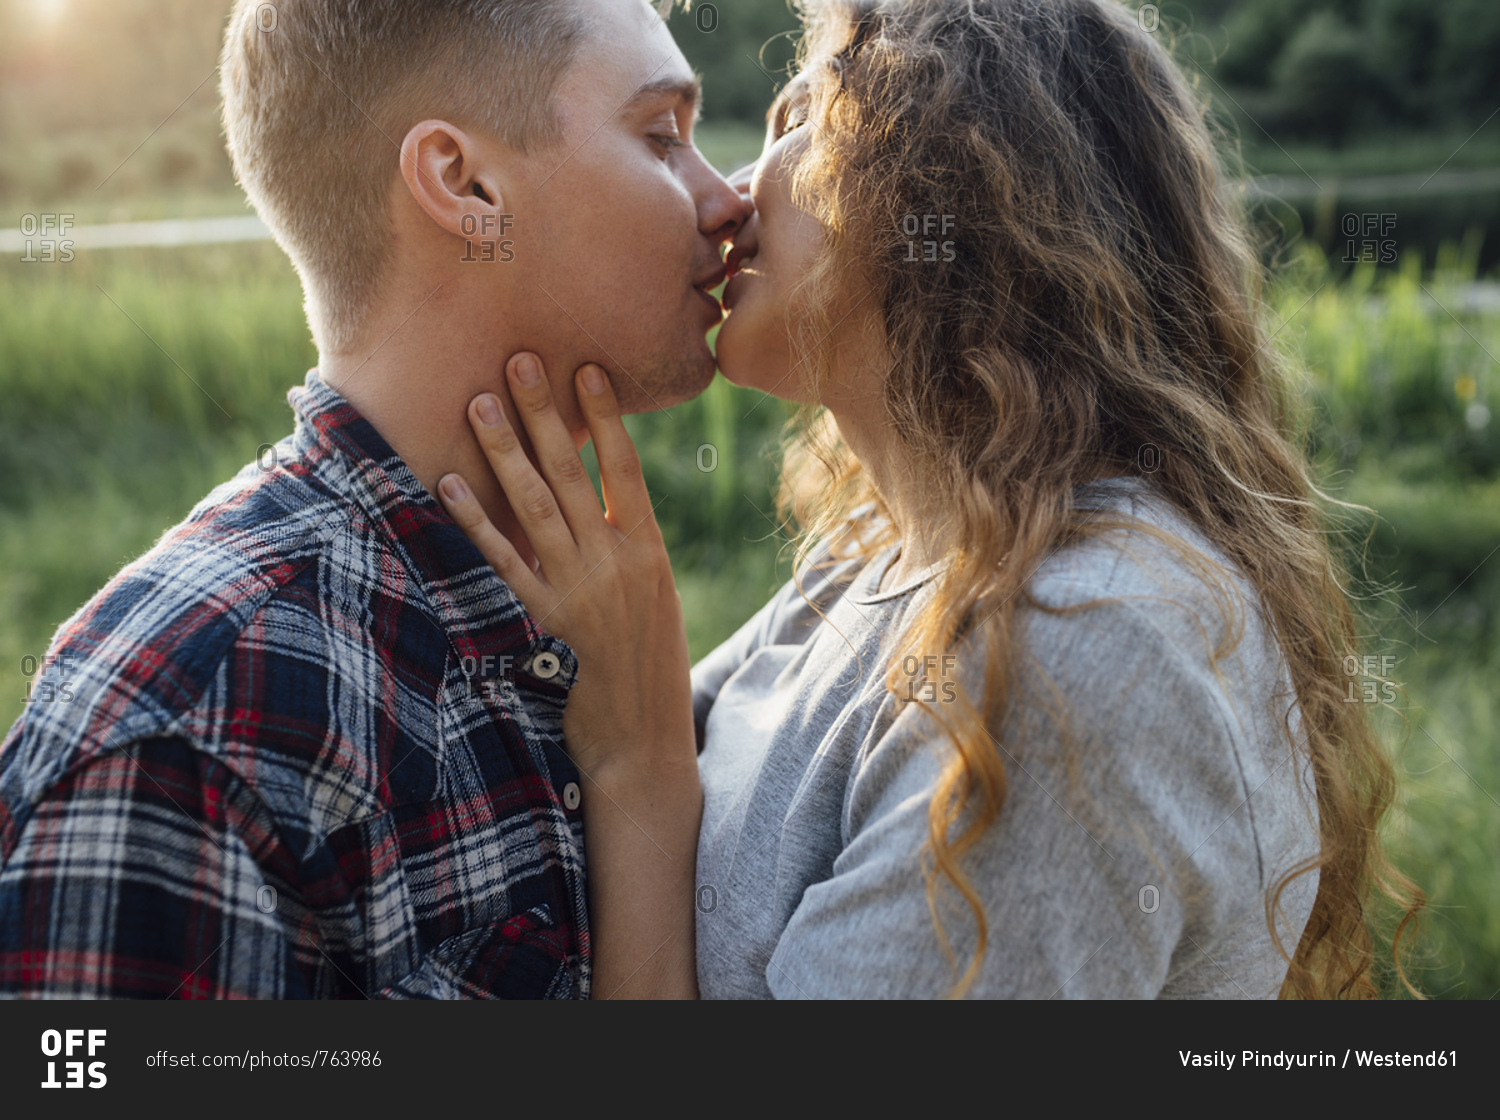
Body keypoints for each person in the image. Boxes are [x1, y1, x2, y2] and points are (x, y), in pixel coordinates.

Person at [440, 0, 1423, 997]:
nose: (731, 198)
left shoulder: (1082, 644)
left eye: (796, 120)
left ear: (946, 183)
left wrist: (637, 772)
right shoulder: (879, 562)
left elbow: (644, 763)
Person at [0, 0, 747, 999]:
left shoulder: (599, 625)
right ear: (463, 183)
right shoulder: (188, 736)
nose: (727, 198)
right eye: (661, 137)